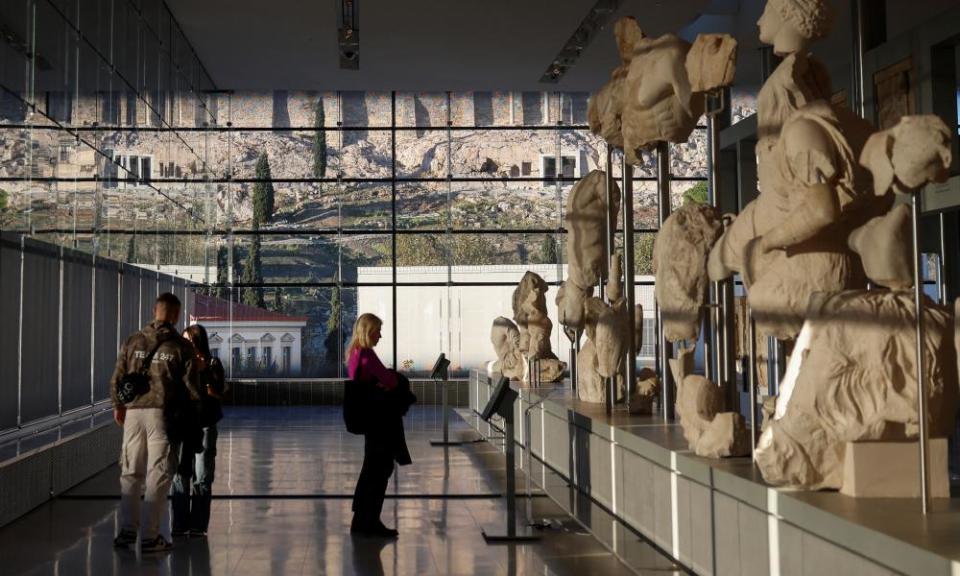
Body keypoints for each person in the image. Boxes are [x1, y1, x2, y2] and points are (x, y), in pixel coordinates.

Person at [111, 293, 202, 552]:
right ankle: (151, 537)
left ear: (154, 310)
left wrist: (118, 405)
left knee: (130, 472)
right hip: (163, 415)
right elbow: (192, 390)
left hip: (133, 413)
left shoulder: (133, 340)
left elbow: (117, 376)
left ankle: (127, 531)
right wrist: (194, 417)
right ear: (176, 314)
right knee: (158, 474)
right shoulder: (182, 347)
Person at [346, 313, 413, 538]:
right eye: (378, 331)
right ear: (368, 331)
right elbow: (391, 381)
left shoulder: (354, 353)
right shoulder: (367, 355)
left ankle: (361, 519)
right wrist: (389, 383)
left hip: (368, 418)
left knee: (370, 469)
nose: (381, 335)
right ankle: (371, 521)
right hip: (380, 421)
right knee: (380, 469)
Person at [172, 324, 226, 538]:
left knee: (202, 475)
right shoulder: (179, 365)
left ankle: (198, 525)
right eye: (184, 341)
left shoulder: (213, 364)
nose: (187, 346)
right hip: (183, 423)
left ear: (199, 343)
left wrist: (204, 372)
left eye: (190, 341)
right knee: (180, 474)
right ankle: (179, 523)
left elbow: (219, 393)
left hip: (205, 423)